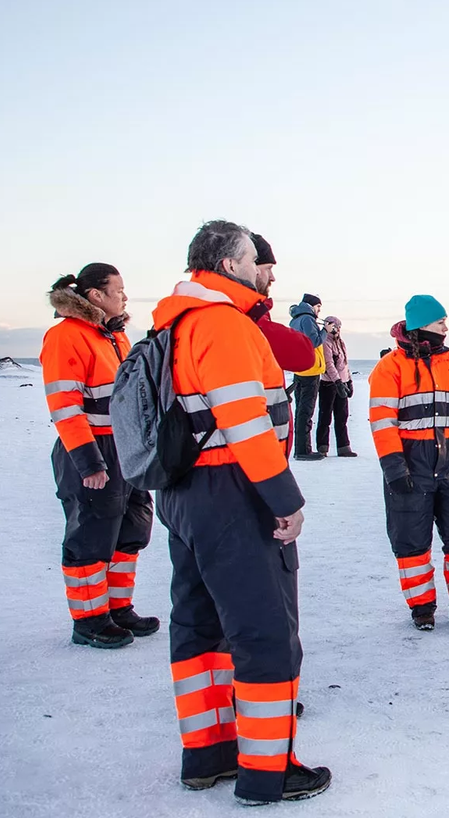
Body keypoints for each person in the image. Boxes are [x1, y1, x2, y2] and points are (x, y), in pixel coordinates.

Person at [152, 220, 329, 804]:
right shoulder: (223, 325)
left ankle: (208, 755)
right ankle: (267, 771)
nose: (262, 270)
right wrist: (285, 500)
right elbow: (245, 423)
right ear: (230, 265)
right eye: (255, 260)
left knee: (199, 626)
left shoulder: (178, 322)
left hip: (184, 494)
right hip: (233, 490)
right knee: (266, 631)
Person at [41, 264, 159, 648]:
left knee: (131, 530)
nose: (125, 296)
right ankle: (90, 620)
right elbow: (64, 405)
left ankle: (118, 608)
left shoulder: (114, 336)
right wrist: (88, 461)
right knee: (91, 535)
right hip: (92, 448)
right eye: (118, 290)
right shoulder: (66, 337)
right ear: (96, 296)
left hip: (127, 449)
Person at [368, 294, 449, 632]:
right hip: (411, 465)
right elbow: (382, 421)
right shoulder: (390, 367)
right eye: (440, 322)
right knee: (411, 541)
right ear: (421, 325)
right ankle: (421, 607)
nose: (446, 328)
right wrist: (394, 466)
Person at [250, 234, 321, 373]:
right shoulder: (247, 316)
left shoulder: (257, 312)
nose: (273, 277)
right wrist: (325, 331)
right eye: (268, 268)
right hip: (311, 371)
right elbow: (306, 351)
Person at [288, 293, 326, 460]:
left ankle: (299, 448)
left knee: (300, 411)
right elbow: (315, 341)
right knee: (306, 411)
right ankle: (304, 450)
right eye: (318, 307)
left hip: (299, 369)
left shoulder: (295, 320)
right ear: (312, 306)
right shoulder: (308, 319)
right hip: (310, 370)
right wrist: (326, 330)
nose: (319, 311)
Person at [316, 316, 355, 457]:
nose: (337, 329)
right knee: (325, 416)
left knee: (342, 417)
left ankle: (344, 447)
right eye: (334, 327)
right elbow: (328, 364)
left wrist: (349, 381)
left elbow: (345, 363)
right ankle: (322, 447)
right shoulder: (325, 342)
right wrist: (337, 381)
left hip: (342, 383)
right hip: (329, 384)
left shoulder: (341, 342)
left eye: (338, 327)